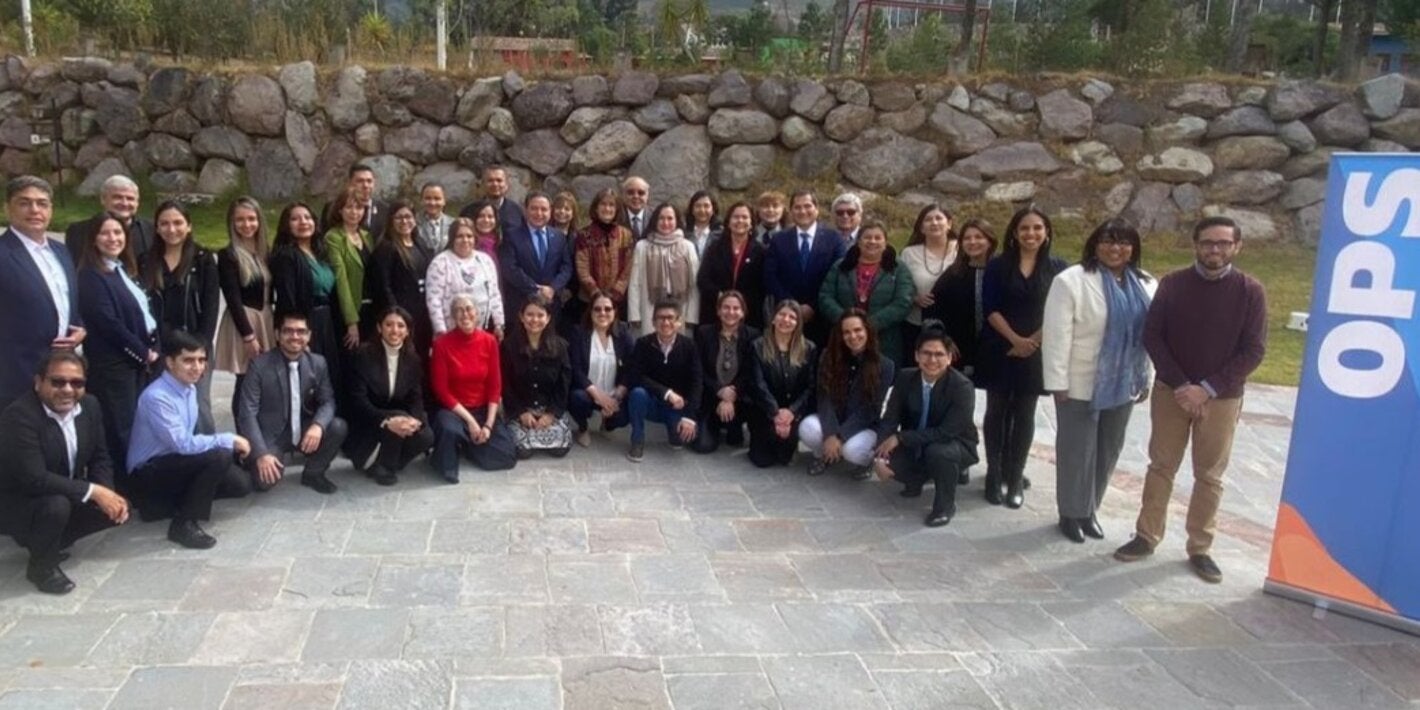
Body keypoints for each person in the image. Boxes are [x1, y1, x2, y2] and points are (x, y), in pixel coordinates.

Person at [1114, 216, 1267, 584]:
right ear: (1196, 245)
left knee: (1209, 475)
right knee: (1161, 465)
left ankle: (1200, 547)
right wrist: (1183, 384)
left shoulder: (1250, 291)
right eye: (1208, 242)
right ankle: (1146, 535)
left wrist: (1208, 388)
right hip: (1172, 391)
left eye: (1223, 243)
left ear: (1236, 247)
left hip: (1222, 397)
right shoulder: (1173, 284)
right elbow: (1154, 336)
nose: (1215, 249)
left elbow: (1254, 350)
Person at [1042, 220, 1157, 543]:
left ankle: (1090, 510)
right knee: (1077, 451)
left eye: (1123, 242)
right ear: (1094, 244)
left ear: (1133, 248)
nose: (1115, 248)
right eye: (1108, 241)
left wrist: (1147, 375)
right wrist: (1057, 380)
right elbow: (1056, 335)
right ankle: (1070, 512)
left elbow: (1148, 337)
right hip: (1079, 381)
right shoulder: (1071, 281)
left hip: (1124, 383)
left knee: (1108, 449)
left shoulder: (1147, 284)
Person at [0, 351, 129, 594]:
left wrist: (107, 493)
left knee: (120, 507)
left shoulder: (90, 406)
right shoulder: (19, 416)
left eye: (76, 383)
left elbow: (100, 457)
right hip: (16, 500)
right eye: (58, 382)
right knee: (56, 506)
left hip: (59, 491)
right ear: (39, 382)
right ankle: (42, 567)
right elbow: (34, 479)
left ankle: (48, 540)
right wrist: (94, 491)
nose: (68, 389)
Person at [126, 331, 253, 549]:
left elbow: (188, 442)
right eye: (188, 360)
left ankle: (168, 505)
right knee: (220, 455)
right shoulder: (157, 397)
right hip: (148, 473)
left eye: (202, 360)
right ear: (170, 362)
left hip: (175, 462)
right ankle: (183, 524)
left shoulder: (189, 388)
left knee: (240, 485)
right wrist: (228, 438)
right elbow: (183, 444)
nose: (197, 367)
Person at [977, 205, 1066, 509]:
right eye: (1025, 228)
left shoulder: (1057, 268)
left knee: (1025, 413)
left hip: (1036, 349)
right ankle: (994, 473)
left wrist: (1031, 342)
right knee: (996, 411)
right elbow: (990, 307)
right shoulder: (998, 265)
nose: (1031, 234)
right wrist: (1015, 339)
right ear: (1014, 233)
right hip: (1000, 345)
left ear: (1047, 232)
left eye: (1037, 228)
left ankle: (1015, 477)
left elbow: (1059, 311)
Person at [874, 323, 979, 527]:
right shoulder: (905, 378)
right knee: (890, 455)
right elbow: (890, 419)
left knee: (939, 452)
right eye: (926, 353)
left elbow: (947, 432)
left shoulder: (962, 387)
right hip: (918, 440)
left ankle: (944, 506)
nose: (932, 360)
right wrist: (879, 456)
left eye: (939, 354)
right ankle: (916, 479)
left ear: (949, 357)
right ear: (916, 355)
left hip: (954, 444)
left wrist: (901, 437)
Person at [76, 214, 159, 471]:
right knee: (122, 429)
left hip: (135, 362)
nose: (113, 238)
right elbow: (108, 324)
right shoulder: (91, 276)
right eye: (105, 233)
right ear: (93, 239)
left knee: (137, 425)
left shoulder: (121, 269)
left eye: (118, 233)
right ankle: (125, 488)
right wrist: (143, 353)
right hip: (114, 366)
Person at [236, 311, 349, 495]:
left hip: (305, 430)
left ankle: (313, 473)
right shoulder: (259, 365)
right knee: (263, 483)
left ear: (309, 336)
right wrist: (262, 454)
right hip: (272, 435)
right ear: (277, 335)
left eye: (301, 331)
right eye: (288, 331)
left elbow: (328, 401)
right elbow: (247, 413)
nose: (295, 336)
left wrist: (318, 426)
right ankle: (248, 460)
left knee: (338, 426)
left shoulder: (318, 363)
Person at [0, 176, 85, 408]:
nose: (35, 210)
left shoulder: (61, 251)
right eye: (25, 203)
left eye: (42, 203)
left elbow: (65, 300)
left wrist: (79, 328)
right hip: (15, 375)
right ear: (7, 208)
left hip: (60, 372)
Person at [143, 200, 220, 435]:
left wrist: (202, 349)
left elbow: (211, 307)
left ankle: (210, 456)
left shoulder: (203, 259)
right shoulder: (146, 260)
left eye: (178, 223)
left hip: (195, 345)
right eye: (164, 223)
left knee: (198, 406)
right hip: (161, 347)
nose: (171, 229)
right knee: (164, 406)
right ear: (156, 228)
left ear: (189, 226)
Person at [430, 295, 518, 480]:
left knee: (507, 456)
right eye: (459, 310)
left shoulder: (489, 341)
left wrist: (487, 425)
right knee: (449, 435)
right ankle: (456, 447)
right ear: (453, 316)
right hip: (454, 411)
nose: (465, 314)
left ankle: (466, 445)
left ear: (477, 313)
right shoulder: (441, 344)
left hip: (482, 409)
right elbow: (441, 390)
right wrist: (471, 422)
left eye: (469, 308)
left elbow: (495, 386)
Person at [799, 309, 895, 479]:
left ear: (867, 331)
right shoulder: (828, 357)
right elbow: (824, 398)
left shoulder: (885, 365)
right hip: (834, 419)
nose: (853, 336)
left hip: (863, 426)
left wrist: (840, 436)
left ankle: (864, 464)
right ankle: (826, 455)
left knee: (852, 450)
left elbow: (871, 409)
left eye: (858, 330)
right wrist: (830, 433)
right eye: (846, 332)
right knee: (807, 428)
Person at [346, 306, 434, 486]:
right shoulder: (362, 355)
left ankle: (387, 463)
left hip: (397, 421)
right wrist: (386, 420)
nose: (395, 330)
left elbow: (416, 399)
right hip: (368, 424)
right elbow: (357, 401)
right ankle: (378, 464)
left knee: (426, 436)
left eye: (401, 326)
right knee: (398, 416)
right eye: (389, 325)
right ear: (379, 328)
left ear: (408, 331)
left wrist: (415, 421)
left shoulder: (413, 359)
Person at [817, 220, 914, 362]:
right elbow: (825, 297)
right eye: (867, 237)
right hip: (845, 338)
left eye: (878, 238)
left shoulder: (898, 268)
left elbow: (903, 302)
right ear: (858, 242)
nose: (872, 241)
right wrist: (848, 322)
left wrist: (870, 324)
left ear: (885, 242)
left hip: (885, 341)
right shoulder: (841, 266)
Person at [215, 197, 275, 417]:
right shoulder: (228, 255)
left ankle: (258, 428)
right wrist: (248, 336)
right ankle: (243, 435)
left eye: (251, 219)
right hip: (244, 322)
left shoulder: (265, 252)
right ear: (232, 222)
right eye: (240, 220)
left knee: (262, 379)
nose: (246, 224)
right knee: (246, 380)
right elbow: (232, 298)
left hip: (265, 317)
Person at [763, 189, 845, 347]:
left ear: (817, 209)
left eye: (807, 206)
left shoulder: (834, 239)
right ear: (791, 211)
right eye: (797, 207)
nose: (802, 211)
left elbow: (837, 276)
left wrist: (813, 306)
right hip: (786, 317)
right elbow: (770, 277)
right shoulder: (779, 240)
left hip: (822, 316)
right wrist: (792, 306)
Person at [270, 202, 341, 377]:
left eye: (307, 217)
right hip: (306, 321)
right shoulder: (286, 256)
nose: (303, 222)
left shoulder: (320, 253)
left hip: (326, 321)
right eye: (295, 219)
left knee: (329, 375)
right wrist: (299, 334)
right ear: (287, 226)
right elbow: (288, 299)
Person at [625, 300, 702, 463]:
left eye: (670, 318)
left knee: (680, 441)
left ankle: (674, 432)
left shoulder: (690, 346)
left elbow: (697, 381)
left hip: (677, 407)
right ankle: (637, 440)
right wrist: (666, 393)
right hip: (651, 402)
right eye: (660, 318)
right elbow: (635, 376)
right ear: (653, 322)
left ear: (679, 322)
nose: (666, 322)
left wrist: (690, 416)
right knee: (637, 393)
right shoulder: (643, 343)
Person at [747, 300, 818, 468]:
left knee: (784, 458)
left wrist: (791, 412)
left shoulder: (809, 348)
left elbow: (810, 386)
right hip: (765, 410)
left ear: (798, 323)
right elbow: (758, 384)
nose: (786, 320)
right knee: (763, 460)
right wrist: (775, 412)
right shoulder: (757, 346)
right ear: (773, 318)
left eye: (792, 317)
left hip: (792, 412)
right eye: (781, 315)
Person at [924, 218, 997, 383]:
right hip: (959, 351)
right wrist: (943, 338)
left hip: (996, 350)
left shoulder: (1002, 271)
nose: (973, 242)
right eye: (967, 238)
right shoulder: (954, 274)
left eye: (979, 237)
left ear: (990, 240)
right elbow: (932, 308)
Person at [502, 295, 574, 458]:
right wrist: (521, 412)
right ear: (521, 316)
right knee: (523, 451)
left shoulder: (560, 347)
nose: (535, 320)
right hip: (521, 409)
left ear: (548, 318)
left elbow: (564, 383)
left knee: (560, 449)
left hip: (549, 408)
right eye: (530, 314)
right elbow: (505, 384)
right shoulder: (508, 346)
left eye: (540, 315)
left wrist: (551, 413)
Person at [691, 290, 759, 453]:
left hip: (739, 400)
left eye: (736, 308)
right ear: (718, 310)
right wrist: (719, 390)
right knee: (703, 446)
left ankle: (732, 426)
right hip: (710, 397)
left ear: (743, 312)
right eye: (726, 307)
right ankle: (715, 424)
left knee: (734, 440)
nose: (731, 312)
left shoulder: (753, 336)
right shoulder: (704, 333)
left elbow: (750, 372)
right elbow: (698, 370)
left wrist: (732, 394)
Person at [567, 290, 635, 447]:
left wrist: (618, 394)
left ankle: (607, 423)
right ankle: (583, 428)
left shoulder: (623, 332)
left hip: (614, 393)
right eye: (597, 309)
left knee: (624, 416)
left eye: (607, 309)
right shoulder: (579, 333)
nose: (602, 313)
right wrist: (599, 396)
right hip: (588, 392)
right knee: (577, 399)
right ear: (590, 312)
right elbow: (576, 369)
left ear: (615, 311)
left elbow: (633, 366)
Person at [366, 202, 432, 357]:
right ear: (391, 221)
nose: (404, 221)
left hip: (421, 312)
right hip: (401, 312)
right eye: (399, 218)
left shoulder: (419, 244)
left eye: (408, 216)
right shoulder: (386, 248)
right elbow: (383, 285)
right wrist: (395, 314)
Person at [500, 192, 573, 331]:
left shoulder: (558, 236)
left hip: (551, 306)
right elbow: (510, 268)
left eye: (544, 209)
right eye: (534, 208)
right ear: (525, 210)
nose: (539, 213)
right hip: (521, 305)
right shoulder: (512, 235)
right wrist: (535, 289)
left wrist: (553, 288)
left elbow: (566, 267)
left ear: (550, 211)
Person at [627, 203, 701, 336]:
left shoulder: (688, 246)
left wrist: (692, 316)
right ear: (655, 221)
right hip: (649, 308)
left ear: (677, 221)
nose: (665, 222)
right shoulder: (642, 246)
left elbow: (694, 284)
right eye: (661, 218)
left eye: (670, 218)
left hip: (680, 308)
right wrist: (634, 315)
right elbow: (634, 284)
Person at [426, 217, 505, 338]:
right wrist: (440, 331)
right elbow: (434, 300)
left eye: (469, 236)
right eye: (460, 236)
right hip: (450, 332)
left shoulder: (485, 260)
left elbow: (494, 294)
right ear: (452, 238)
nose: (465, 240)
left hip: (482, 331)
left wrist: (499, 324)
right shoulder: (440, 262)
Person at [900, 204, 958, 363]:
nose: (934, 223)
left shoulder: (962, 249)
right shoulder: (909, 253)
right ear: (921, 227)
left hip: (955, 323)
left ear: (949, 224)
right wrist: (914, 297)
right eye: (928, 220)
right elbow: (900, 285)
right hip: (917, 323)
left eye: (939, 218)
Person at [696, 201, 765, 330]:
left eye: (745, 217)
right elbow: (703, 279)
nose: (740, 220)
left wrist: (739, 302)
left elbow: (762, 285)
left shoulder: (760, 251)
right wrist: (721, 297)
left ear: (751, 223)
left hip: (749, 315)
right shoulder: (715, 247)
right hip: (716, 312)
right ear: (728, 222)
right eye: (736, 217)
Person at [323, 187, 375, 350]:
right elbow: (341, 279)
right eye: (349, 207)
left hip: (371, 307)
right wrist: (351, 321)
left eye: (359, 208)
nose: (354, 212)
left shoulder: (366, 236)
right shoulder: (333, 237)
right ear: (340, 210)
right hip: (351, 311)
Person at [573, 188, 635, 323]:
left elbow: (628, 268)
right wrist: (596, 294)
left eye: (611, 205)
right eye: (603, 204)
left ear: (617, 209)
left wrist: (615, 294)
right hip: (589, 300)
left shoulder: (626, 235)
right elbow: (582, 267)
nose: (607, 208)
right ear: (596, 208)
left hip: (617, 301)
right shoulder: (584, 235)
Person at [64, 175, 155, 263]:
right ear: (103, 199)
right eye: (118, 197)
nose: (124, 203)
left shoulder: (151, 230)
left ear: (137, 203)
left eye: (130, 199)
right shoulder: (79, 231)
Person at [323, 163, 388, 237]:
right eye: (360, 181)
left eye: (369, 181)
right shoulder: (332, 207)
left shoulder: (385, 210)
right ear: (350, 183)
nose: (365, 185)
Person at [462, 165, 525, 237]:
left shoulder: (517, 212)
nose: (495, 184)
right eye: (490, 180)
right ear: (483, 184)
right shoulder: (469, 211)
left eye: (499, 180)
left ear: (507, 184)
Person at [415, 182, 454, 263]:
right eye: (428, 198)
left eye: (437, 198)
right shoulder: (412, 223)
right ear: (421, 200)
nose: (432, 203)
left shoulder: (454, 224)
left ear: (444, 201)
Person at [685, 190, 720, 257]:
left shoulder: (721, 234)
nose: (702, 210)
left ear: (713, 210)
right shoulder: (684, 234)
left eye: (706, 206)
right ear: (692, 209)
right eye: (698, 206)